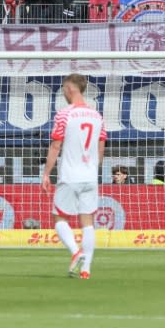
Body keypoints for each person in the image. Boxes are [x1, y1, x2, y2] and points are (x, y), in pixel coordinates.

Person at [42, 73, 106, 280]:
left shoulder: (64, 114)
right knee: (87, 222)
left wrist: (46, 173)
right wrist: (93, 168)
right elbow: (101, 145)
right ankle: (86, 269)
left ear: (70, 88)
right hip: (90, 175)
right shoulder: (97, 116)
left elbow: (56, 145)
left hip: (70, 175)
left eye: (63, 88)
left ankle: (75, 252)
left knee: (59, 217)